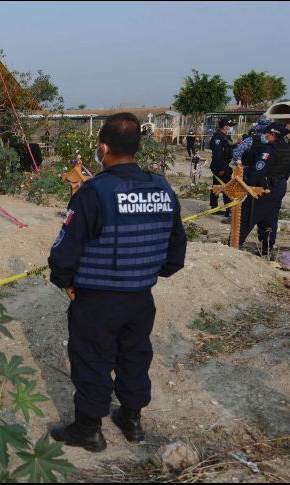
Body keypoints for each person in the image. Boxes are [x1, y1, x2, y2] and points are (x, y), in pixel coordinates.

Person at [48, 113, 187, 452]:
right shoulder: (161, 187)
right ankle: (132, 419)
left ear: (103, 147)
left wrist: (64, 280)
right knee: (134, 355)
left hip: (98, 299)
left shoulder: (94, 193)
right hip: (140, 296)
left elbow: (66, 248)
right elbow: (176, 246)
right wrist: (152, 272)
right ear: (137, 147)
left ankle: (88, 429)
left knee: (92, 357)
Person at [239, 122, 290, 256]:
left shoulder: (269, 150)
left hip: (264, 189)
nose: (264, 135)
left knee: (247, 216)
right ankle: (266, 249)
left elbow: (257, 171)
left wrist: (246, 180)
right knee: (269, 219)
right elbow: (288, 171)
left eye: (266, 133)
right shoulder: (287, 148)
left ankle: (232, 244)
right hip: (278, 187)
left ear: (273, 134)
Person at [209, 118, 236, 223]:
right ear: (225, 127)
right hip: (220, 166)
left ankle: (214, 207)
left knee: (217, 186)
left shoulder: (225, 136)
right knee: (226, 187)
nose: (230, 128)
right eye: (229, 126)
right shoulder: (218, 138)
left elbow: (229, 147)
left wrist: (237, 143)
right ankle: (228, 210)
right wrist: (220, 168)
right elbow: (216, 155)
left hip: (224, 164)